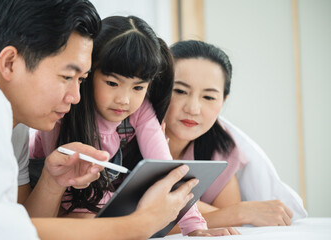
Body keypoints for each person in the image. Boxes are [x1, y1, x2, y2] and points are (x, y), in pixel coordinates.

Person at [0, 0, 204, 238]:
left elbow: (22, 223)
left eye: (81, 80)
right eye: (67, 76)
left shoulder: (15, 120)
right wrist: (140, 224)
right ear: (9, 62)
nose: (76, 97)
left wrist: (52, 181)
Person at [29, 15, 238, 237]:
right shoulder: (64, 112)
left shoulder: (141, 111)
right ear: (89, 74)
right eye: (112, 83)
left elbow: (169, 171)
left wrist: (195, 228)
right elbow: (62, 198)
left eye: (138, 88)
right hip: (55, 201)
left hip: (99, 207)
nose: (124, 100)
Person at [164, 40, 294, 229]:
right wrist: (241, 212)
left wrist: (235, 214)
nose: (193, 108)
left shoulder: (220, 148)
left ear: (223, 101)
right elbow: (142, 219)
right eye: (180, 91)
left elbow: (231, 224)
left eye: (208, 97)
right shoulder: (127, 138)